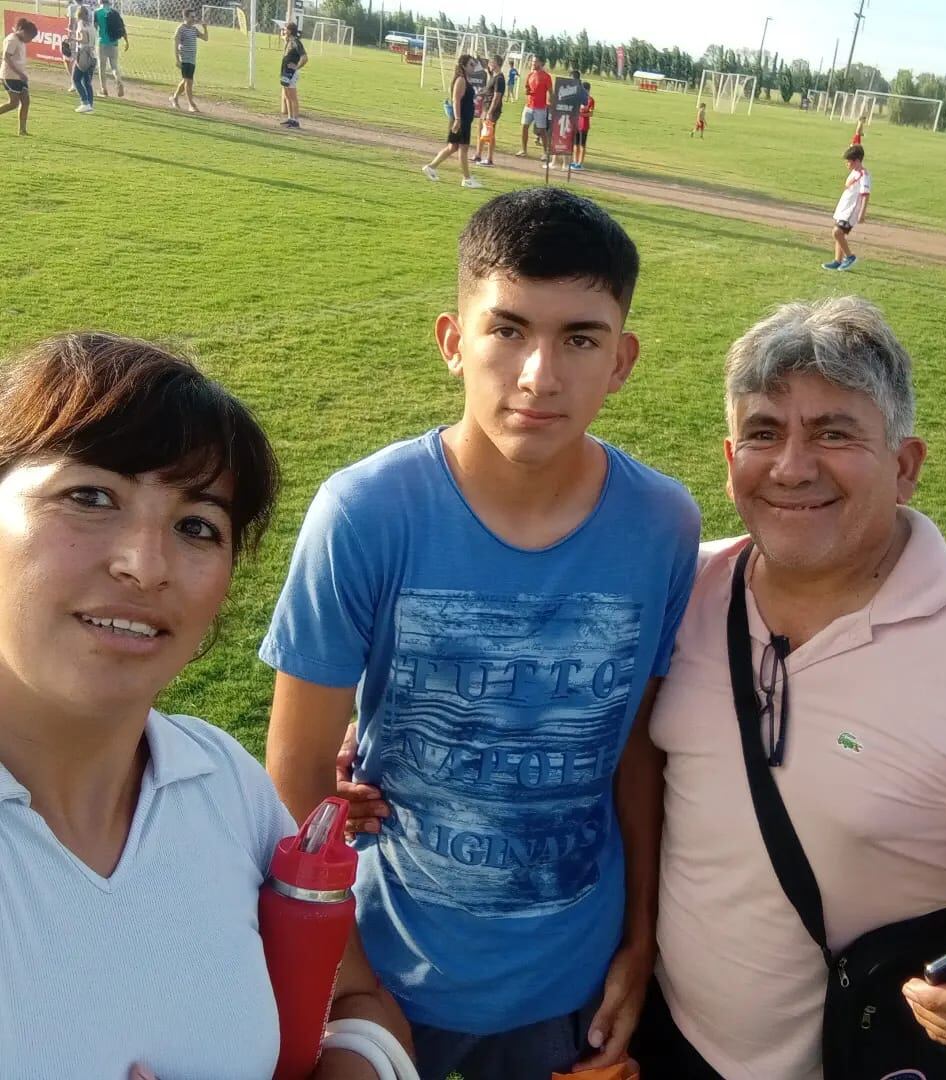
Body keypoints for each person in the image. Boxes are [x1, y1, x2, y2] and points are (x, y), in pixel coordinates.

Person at [259, 187, 701, 1080]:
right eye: (507, 330)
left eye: (581, 337)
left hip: (570, 971)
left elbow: (635, 752)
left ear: (623, 360)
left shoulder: (662, 523)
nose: (540, 374)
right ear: (452, 342)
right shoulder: (366, 513)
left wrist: (641, 943)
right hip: (386, 966)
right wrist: (350, 980)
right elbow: (298, 769)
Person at [634, 295, 946, 1080]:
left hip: (867, 1056)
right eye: (764, 433)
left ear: (906, 465)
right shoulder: (679, 591)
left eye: (834, 432)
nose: (792, 466)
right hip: (667, 1038)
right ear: (729, 458)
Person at [0, 332, 414, 1078]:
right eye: (89, 496)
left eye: (197, 526)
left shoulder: (220, 780)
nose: (145, 565)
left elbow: (356, 1002)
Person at [420, 54, 482, 189]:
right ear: (464, 65)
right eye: (471, 64)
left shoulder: (465, 79)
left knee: (453, 147)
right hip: (461, 120)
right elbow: (456, 100)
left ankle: (431, 167)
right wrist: (458, 119)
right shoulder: (461, 79)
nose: (473, 67)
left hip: (463, 119)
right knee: (463, 148)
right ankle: (467, 179)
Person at [821, 143, 870, 271]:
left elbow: (865, 195)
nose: (847, 164)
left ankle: (850, 257)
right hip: (844, 207)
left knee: (837, 232)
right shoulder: (854, 172)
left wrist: (862, 214)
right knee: (839, 234)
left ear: (857, 161)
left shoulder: (864, 175)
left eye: (849, 161)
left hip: (851, 211)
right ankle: (837, 260)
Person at [0, 18, 35, 136]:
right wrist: (19, 73)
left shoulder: (20, 41)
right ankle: (22, 130)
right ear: (23, 32)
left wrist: (22, 73)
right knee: (14, 103)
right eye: (30, 37)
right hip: (10, 76)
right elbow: (6, 57)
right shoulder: (12, 40)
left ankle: (22, 130)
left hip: (20, 76)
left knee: (26, 101)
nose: (29, 40)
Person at [170, 9, 207, 114]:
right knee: (189, 81)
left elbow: (205, 38)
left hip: (192, 59)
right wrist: (177, 60)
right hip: (185, 59)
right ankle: (191, 104)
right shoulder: (181, 29)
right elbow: (176, 45)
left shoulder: (194, 29)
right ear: (185, 17)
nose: (193, 19)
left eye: (194, 17)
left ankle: (174, 98)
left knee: (186, 81)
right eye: (191, 17)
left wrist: (205, 28)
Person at [517, 55, 552, 161]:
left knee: (542, 130)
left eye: (535, 61)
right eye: (532, 61)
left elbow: (551, 92)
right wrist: (527, 91)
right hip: (529, 106)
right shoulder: (530, 74)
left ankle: (545, 153)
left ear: (541, 63)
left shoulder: (546, 76)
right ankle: (524, 150)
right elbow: (527, 87)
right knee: (524, 127)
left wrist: (549, 103)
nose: (533, 63)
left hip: (540, 107)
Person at [473, 55, 504, 167]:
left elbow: (497, 97)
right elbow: (487, 90)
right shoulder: (493, 76)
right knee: (480, 131)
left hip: (492, 110)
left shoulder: (499, 79)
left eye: (491, 62)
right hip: (485, 107)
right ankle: (478, 155)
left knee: (490, 134)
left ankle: (489, 159)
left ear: (496, 63)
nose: (489, 64)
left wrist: (490, 112)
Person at [93, 0, 127, 99]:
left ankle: (104, 89)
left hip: (102, 42)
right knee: (114, 66)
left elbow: (95, 28)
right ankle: (118, 80)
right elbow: (122, 27)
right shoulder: (115, 12)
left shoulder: (97, 12)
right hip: (114, 43)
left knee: (102, 67)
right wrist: (126, 40)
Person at [279, 21, 306, 129]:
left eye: (286, 29)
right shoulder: (289, 41)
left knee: (292, 96)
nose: (284, 31)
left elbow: (304, 58)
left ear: (290, 31)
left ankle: (296, 120)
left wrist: (296, 67)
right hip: (285, 71)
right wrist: (283, 35)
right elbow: (284, 37)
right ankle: (290, 118)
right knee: (286, 95)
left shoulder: (296, 43)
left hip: (291, 73)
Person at [72, 5, 97, 113]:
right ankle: (90, 105)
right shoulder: (91, 26)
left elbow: (83, 40)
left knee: (76, 79)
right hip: (93, 55)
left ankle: (85, 102)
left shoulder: (80, 24)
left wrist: (73, 38)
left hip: (84, 54)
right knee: (87, 82)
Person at [572, 81, 595, 170]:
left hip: (584, 125)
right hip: (576, 124)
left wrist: (581, 114)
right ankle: (574, 161)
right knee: (575, 144)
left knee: (582, 144)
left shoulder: (590, 100)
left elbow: (590, 114)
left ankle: (580, 163)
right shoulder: (577, 99)